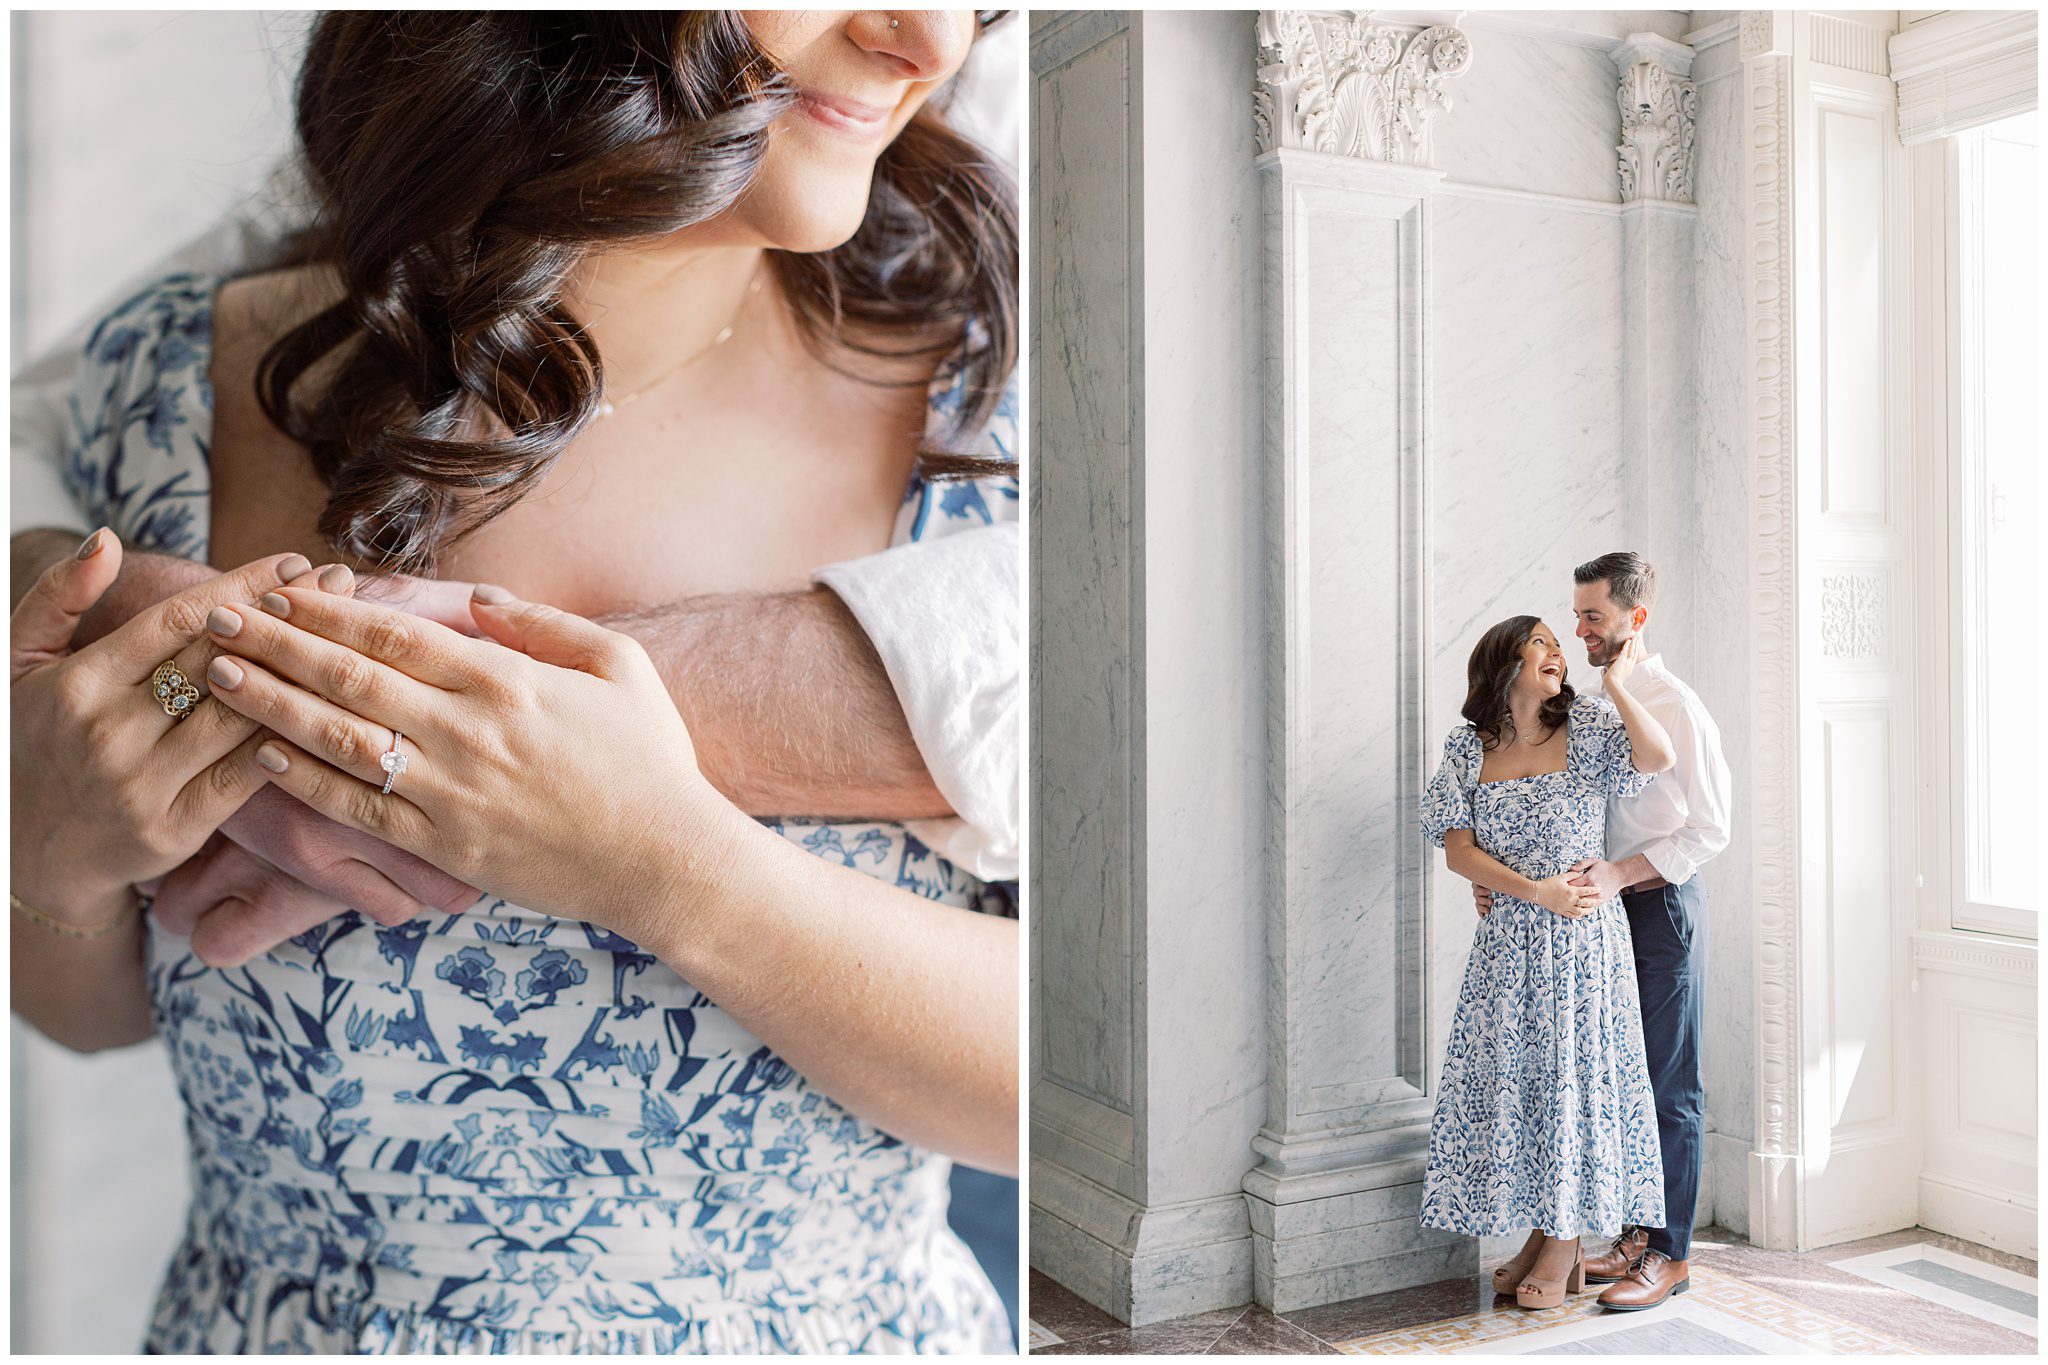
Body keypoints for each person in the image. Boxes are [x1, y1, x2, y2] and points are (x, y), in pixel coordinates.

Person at [10, 11, 1018, 1353]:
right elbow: (92, 1017)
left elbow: (1087, 1087)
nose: (929, 40)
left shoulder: (995, 434)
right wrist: (60, 858)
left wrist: (671, 870)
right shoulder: (166, 385)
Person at [1472, 552, 1732, 1310]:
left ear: (1635, 619)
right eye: (1575, 615)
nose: (1579, 630)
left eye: (1594, 618)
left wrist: (1621, 875)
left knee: (1667, 1077)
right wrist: (1507, 886)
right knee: (1613, 1077)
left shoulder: (1676, 703)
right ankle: (1632, 1235)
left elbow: (1711, 827)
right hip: (1590, 911)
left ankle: (1671, 1251)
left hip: (1660, 904)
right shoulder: (1577, 702)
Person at [1419, 615, 1674, 1310]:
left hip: (1582, 948)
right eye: (1543, 643)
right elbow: (1459, 851)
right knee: (1526, 1086)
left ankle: (1566, 1240)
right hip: (1510, 946)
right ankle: (1539, 1228)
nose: (1559, 652)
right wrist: (1535, 891)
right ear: (1505, 663)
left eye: (1561, 644)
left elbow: (1656, 756)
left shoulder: (1588, 724)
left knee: (1571, 1084)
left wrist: (1616, 683)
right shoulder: (1468, 745)